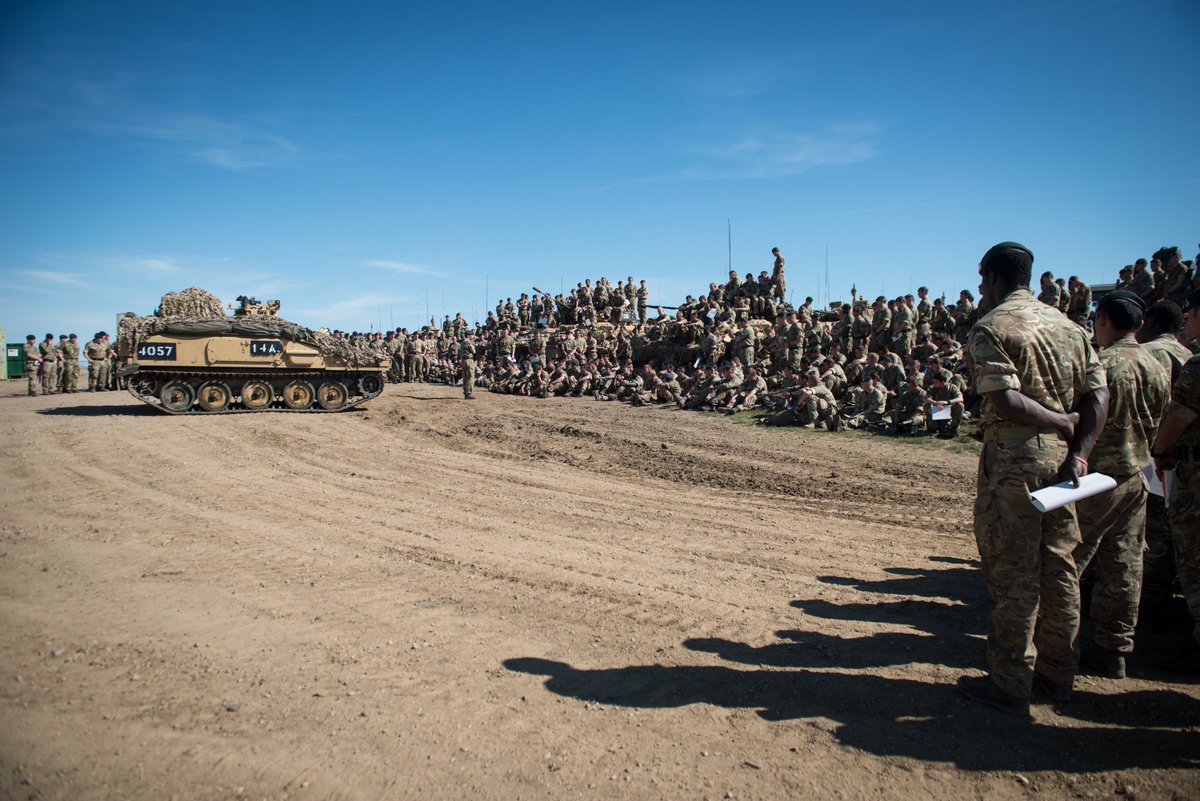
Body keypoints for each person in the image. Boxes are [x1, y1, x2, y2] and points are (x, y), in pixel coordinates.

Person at [958, 241, 1108, 716]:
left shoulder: (991, 326)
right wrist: (1079, 453)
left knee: (1013, 571)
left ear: (995, 277)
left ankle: (1009, 682)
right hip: (1066, 463)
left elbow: (1003, 400)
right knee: (1060, 567)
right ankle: (1058, 675)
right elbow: (1098, 397)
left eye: (982, 278)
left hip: (1015, 459)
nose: (980, 287)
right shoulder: (1070, 328)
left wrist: (1059, 423)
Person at [1073, 291, 1169, 679]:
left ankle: (1052, 647)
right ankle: (1114, 651)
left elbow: (1081, 418)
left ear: (1102, 320)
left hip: (1096, 479)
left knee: (1065, 561)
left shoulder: (1102, 364)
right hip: (1137, 476)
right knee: (1124, 565)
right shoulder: (1157, 363)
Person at [1149, 288, 1200, 674]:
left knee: (1170, 541)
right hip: (1184, 461)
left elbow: (1174, 417)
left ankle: (1153, 603)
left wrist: (1159, 450)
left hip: (1172, 458)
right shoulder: (1186, 356)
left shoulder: (1151, 354)